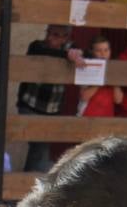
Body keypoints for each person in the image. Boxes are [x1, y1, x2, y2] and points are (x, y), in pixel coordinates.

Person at [17, 23, 83, 170]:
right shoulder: (36, 45)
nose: (49, 37)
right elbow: (45, 52)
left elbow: (85, 55)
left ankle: (28, 184)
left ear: (65, 38)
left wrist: (75, 54)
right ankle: (31, 184)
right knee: (39, 146)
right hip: (30, 105)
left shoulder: (71, 48)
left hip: (52, 110)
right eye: (49, 33)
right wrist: (67, 55)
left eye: (54, 35)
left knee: (40, 148)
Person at [77, 35, 118, 117]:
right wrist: (100, 79)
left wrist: (115, 81)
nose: (103, 54)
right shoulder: (85, 66)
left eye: (106, 50)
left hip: (107, 116)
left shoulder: (114, 69)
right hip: (87, 115)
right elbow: (84, 97)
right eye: (98, 51)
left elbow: (118, 100)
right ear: (92, 52)